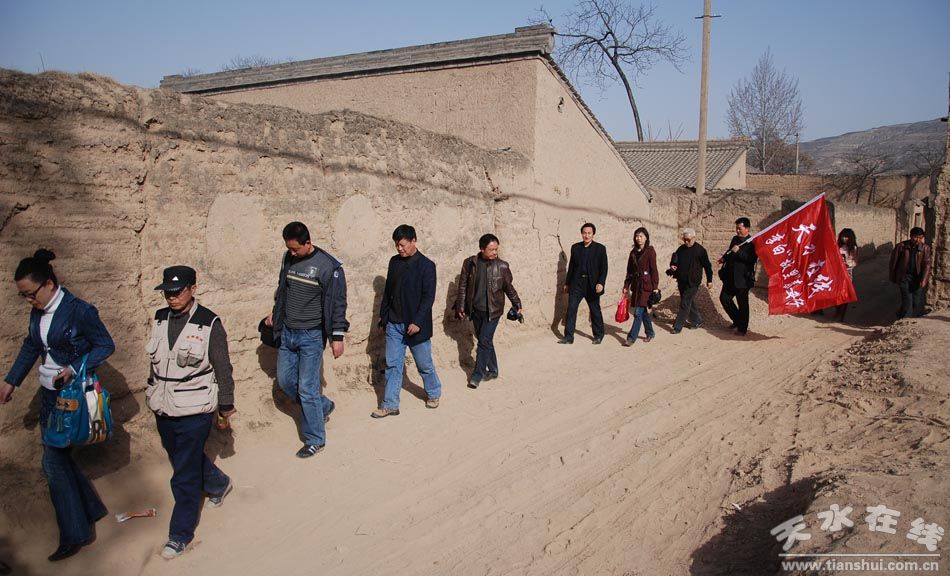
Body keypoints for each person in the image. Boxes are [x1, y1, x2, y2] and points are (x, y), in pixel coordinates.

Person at [2, 250, 114, 562]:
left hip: (71, 398)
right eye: (23, 295)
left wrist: (74, 368)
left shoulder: (80, 311)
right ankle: (91, 508)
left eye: (30, 293)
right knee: (60, 458)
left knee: (53, 463)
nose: (28, 300)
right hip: (50, 396)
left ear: (49, 284)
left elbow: (105, 345)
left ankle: (75, 534)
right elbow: (31, 344)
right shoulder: (38, 311)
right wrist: (11, 381)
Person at [146, 266, 235, 559]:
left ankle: (179, 535)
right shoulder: (160, 318)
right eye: (167, 293)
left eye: (177, 291)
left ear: (193, 289)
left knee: (183, 474)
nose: (171, 297)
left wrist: (226, 405)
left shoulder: (209, 323)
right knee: (182, 457)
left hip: (195, 408)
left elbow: (222, 367)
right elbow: (156, 362)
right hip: (163, 405)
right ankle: (218, 484)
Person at [266, 221, 349, 458]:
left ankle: (315, 439)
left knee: (307, 388)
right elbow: (283, 289)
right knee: (285, 381)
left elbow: (337, 303)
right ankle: (323, 406)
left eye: (295, 249)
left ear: (308, 242)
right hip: (288, 332)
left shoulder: (328, 267)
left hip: (311, 336)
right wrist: (275, 312)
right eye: (288, 248)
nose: (292, 253)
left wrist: (337, 337)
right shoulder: (288, 259)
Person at [374, 225, 442, 417]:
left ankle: (434, 392)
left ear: (414, 241)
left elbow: (428, 298)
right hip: (394, 324)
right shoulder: (394, 262)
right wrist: (384, 316)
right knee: (393, 364)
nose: (399, 248)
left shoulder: (427, 266)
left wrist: (418, 321)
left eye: (403, 245)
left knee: (424, 364)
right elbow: (388, 291)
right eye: (397, 245)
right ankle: (390, 404)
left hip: (415, 326)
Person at [453, 233, 522, 388]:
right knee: (485, 340)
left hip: (494, 311)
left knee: (483, 341)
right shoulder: (470, 263)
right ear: (482, 249)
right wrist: (460, 306)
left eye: (496, 249)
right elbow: (463, 286)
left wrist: (517, 303)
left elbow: (508, 287)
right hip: (476, 310)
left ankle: (477, 375)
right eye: (491, 249)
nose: (495, 252)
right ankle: (493, 369)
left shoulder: (502, 266)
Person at [560, 223, 608, 344]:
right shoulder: (575, 248)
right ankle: (568, 337)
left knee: (595, 310)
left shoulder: (600, 249)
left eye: (589, 233)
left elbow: (604, 268)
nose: (586, 235)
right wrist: (567, 283)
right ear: (581, 234)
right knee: (571, 309)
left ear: (593, 234)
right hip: (577, 284)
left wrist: (601, 283)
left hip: (592, 285)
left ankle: (598, 335)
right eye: (584, 233)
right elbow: (571, 267)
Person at [717, 217, 758, 336]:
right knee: (724, 299)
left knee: (743, 304)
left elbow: (751, 259)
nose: (737, 230)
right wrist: (724, 258)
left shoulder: (752, 243)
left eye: (740, 228)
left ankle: (742, 329)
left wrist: (738, 252)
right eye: (736, 228)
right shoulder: (735, 239)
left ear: (747, 228)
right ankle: (737, 320)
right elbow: (730, 251)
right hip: (730, 277)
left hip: (743, 280)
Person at [669, 229, 713, 334]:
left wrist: (709, 280)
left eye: (688, 240)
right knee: (688, 301)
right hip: (681, 281)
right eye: (684, 239)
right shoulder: (681, 249)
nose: (686, 242)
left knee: (685, 302)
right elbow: (675, 260)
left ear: (694, 238)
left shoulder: (700, 251)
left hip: (693, 281)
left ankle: (677, 327)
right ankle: (697, 320)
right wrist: (673, 265)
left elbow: (707, 266)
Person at [621, 227, 659, 346]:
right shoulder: (633, 252)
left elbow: (654, 270)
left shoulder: (650, 251)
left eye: (641, 236)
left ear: (646, 237)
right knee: (643, 312)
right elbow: (629, 271)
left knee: (638, 312)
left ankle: (631, 338)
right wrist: (626, 285)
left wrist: (655, 287)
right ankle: (650, 333)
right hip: (636, 286)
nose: (639, 238)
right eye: (637, 236)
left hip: (646, 286)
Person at [889, 227, 931, 319]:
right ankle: (905, 320)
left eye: (920, 238)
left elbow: (927, 265)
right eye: (915, 237)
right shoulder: (901, 246)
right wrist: (893, 276)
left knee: (916, 302)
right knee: (907, 301)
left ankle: (900, 313)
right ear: (911, 236)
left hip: (917, 278)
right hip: (904, 277)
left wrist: (924, 279)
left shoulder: (925, 248)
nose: (917, 240)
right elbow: (893, 262)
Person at [834, 228, 858, 321]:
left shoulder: (853, 248)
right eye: (843, 237)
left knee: (845, 294)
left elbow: (854, 262)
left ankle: (842, 314)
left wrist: (848, 264)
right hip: (837, 272)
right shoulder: (838, 247)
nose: (844, 239)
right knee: (836, 292)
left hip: (847, 272)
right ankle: (838, 310)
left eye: (846, 237)